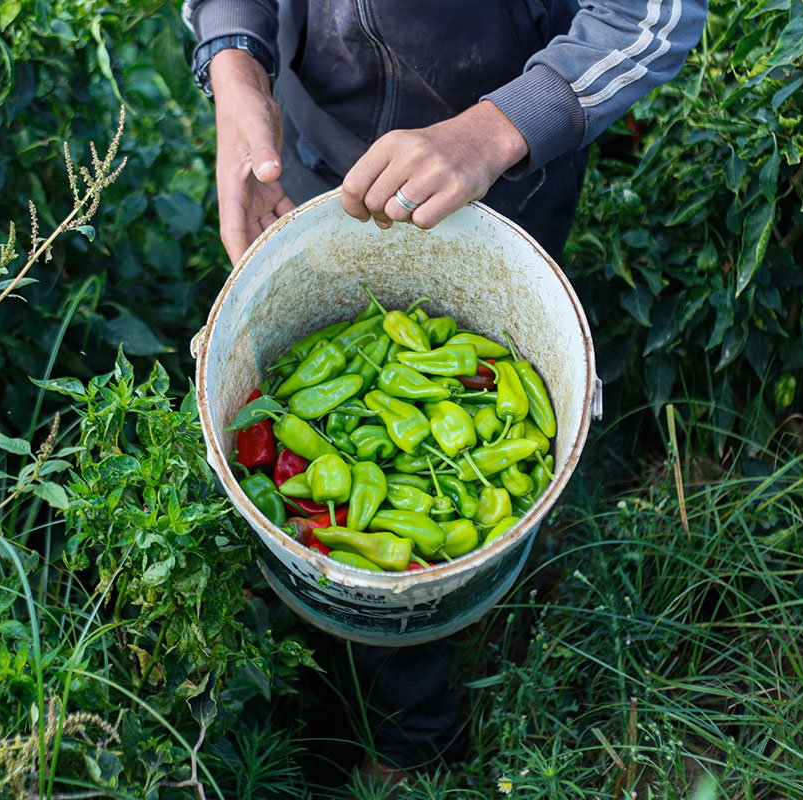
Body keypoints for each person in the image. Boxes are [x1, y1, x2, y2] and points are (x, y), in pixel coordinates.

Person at [183, 0, 707, 781]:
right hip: (309, 151)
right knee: (308, 461)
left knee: (403, 575)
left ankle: (413, 741)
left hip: (498, 172)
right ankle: (373, 700)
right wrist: (234, 65)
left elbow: (656, 15)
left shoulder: (495, 145)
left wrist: (494, 129)